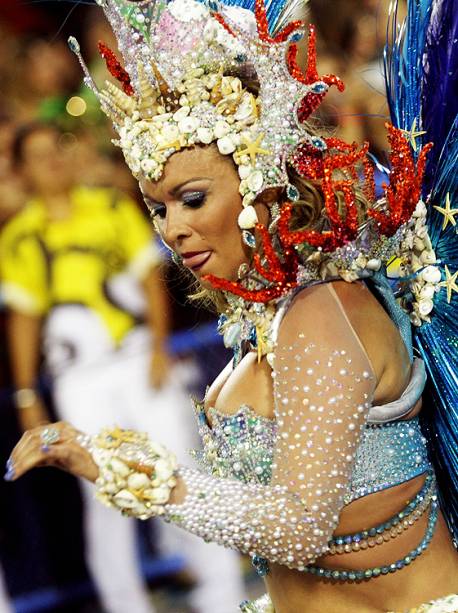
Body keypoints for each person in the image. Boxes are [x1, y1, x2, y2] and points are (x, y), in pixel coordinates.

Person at [6, 0, 458, 611]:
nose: (174, 230)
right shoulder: (266, 321)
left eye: (193, 198)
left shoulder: (322, 312)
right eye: (159, 208)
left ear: (263, 183)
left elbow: (300, 527)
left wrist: (128, 473)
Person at [0, 122, 245, 613]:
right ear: (23, 171)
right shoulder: (19, 237)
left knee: (183, 468)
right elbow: (24, 321)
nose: (53, 162)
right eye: (40, 156)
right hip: (80, 380)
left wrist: (158, 348)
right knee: (102, 496)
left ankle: (224, 599)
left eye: (58, 150)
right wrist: (28, 397)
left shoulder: (111, 207)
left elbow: (150, 279)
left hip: (140, 362)